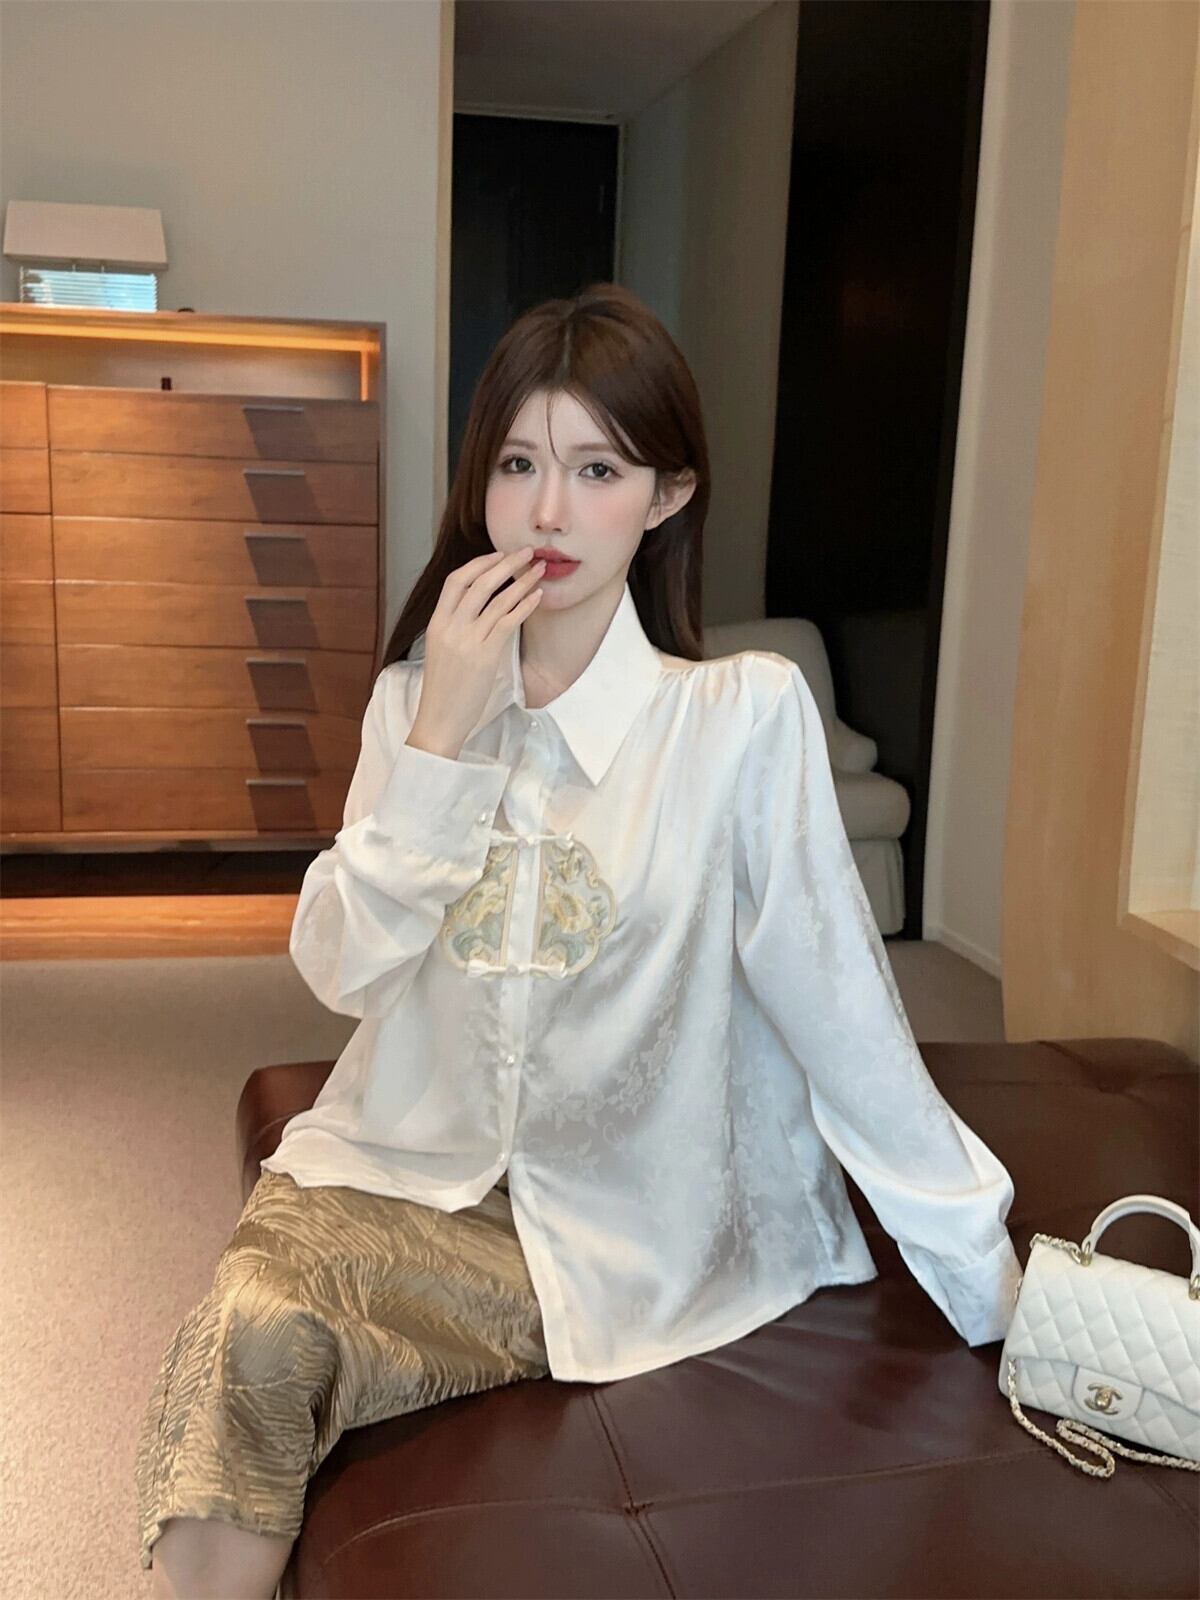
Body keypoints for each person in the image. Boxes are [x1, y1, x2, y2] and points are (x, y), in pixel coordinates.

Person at [135, 282, 1022, 1597]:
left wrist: (990, 1283)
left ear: (665, 496)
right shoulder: (414, 700)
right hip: (407, 1168)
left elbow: (841, 1007)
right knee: (249, 1336)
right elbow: (341, 970)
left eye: (597, 470)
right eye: (518, 464)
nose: (547, 511)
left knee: (269, 1333)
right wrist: (441, 737)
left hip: (623, 1219)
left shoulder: (736, 719)